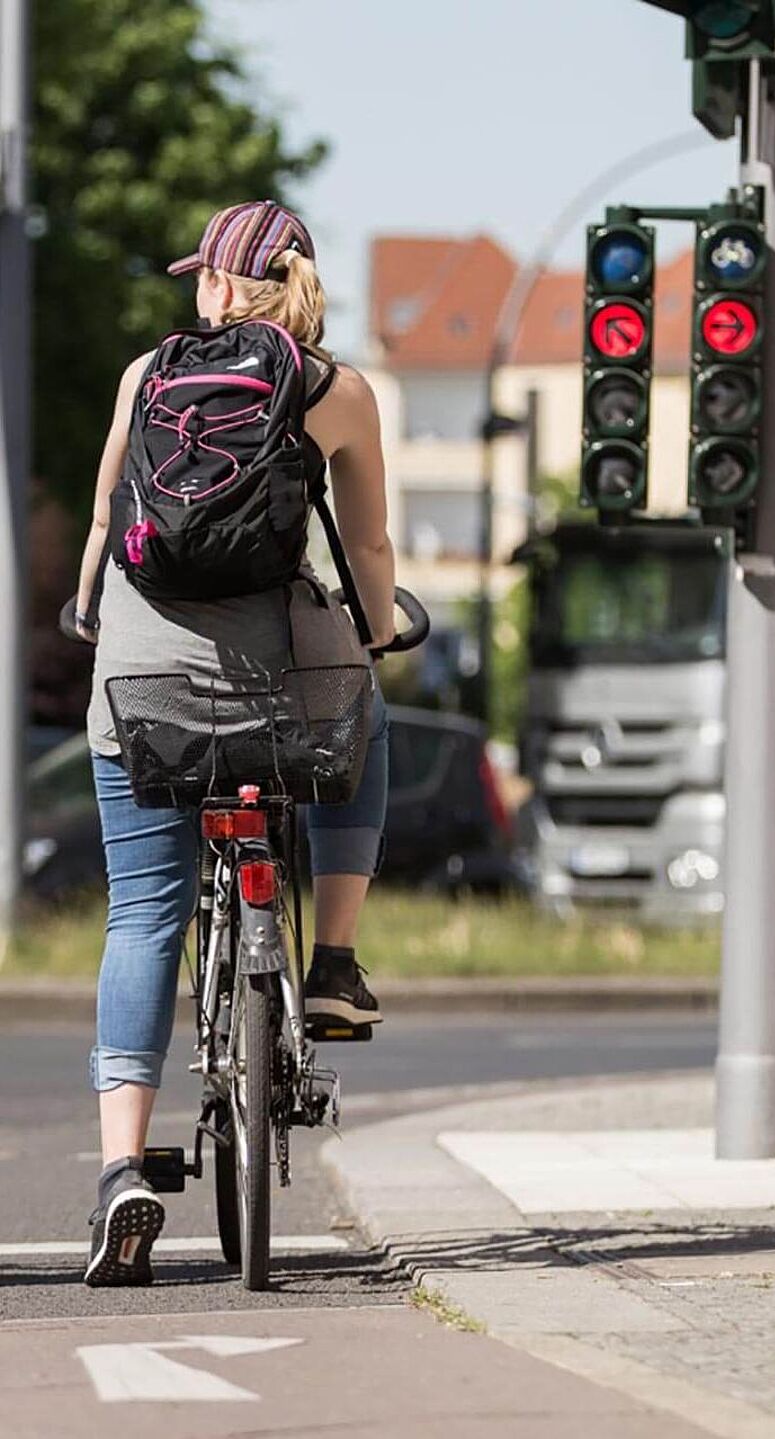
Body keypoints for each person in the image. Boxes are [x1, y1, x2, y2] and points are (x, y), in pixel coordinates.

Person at [73, 200, 396, 1286]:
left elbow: (105, 517)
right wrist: (377, 635)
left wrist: (90, 616)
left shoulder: (145, 374)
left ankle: (122, 1170)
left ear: (216, 285)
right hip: (280, 680)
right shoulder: (337, 389)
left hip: (143, 679)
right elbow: (366, 546)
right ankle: (333, 962)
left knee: (143, 912)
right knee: (363, 710)